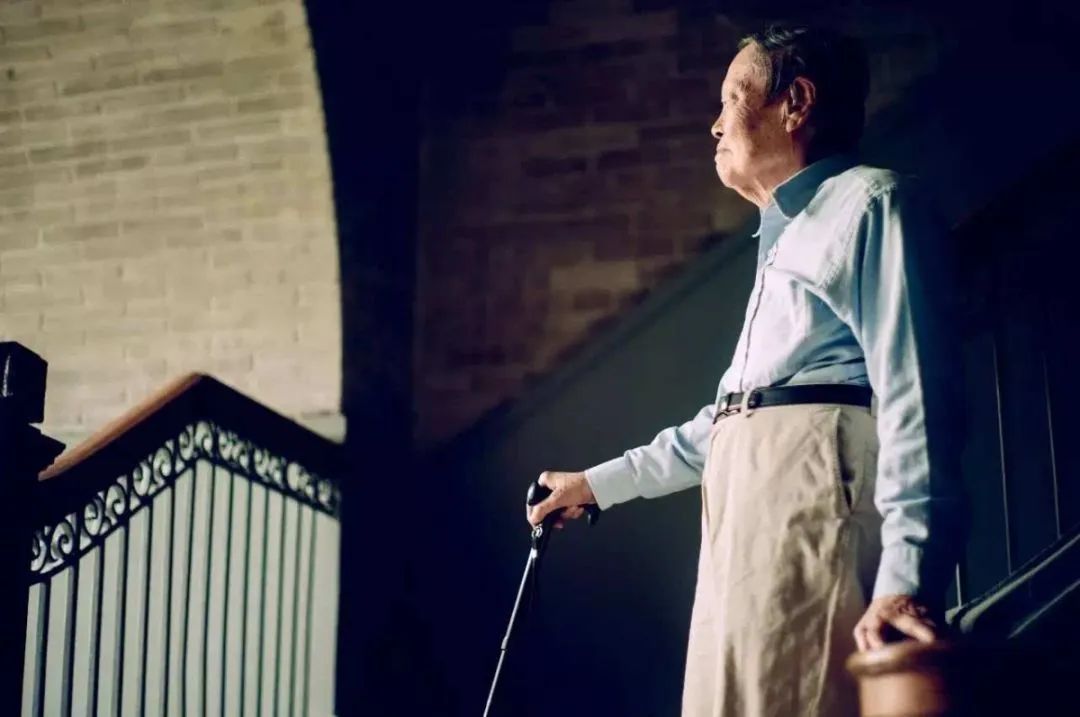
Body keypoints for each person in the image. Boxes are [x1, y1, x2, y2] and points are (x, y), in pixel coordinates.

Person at [526, 24, 967, 717]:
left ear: (797, 103)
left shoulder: (872, 203)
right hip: (743, 512)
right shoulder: (782, 238)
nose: (715, 124)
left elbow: (917, 399)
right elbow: (732, 420)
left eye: (732, 98)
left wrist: (906, 578)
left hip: (810, 503)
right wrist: (597, 485)